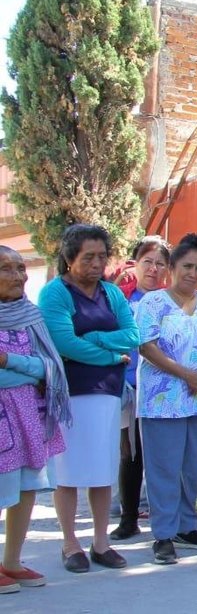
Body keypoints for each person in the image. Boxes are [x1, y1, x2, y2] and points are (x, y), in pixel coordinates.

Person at [40, 224, 140, 572]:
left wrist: (95, 339)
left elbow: (132, 335)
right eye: (88, 257)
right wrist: (111, 355)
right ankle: (70, 544)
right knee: (67, 471)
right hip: (69, 393)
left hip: (107, 394)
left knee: (102, 469)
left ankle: (100, 543)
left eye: (102, 256)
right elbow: (64, 343)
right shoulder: (55, 293)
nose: (97, 264)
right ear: (69, 258)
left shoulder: (111, 293)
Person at [135, 234, 197, 564]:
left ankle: (187, 527)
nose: (193, 273)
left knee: (193, 468)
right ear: (172, 267)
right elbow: (146, 346)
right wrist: (187, 374)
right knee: (164, 468)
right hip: (162, 400)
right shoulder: (152, 302)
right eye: (187, 266)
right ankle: (163, 534)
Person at [0, 247, 69, 593]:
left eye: (20, 267)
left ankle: (11, 561)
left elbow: (50, 366)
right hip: (3, 418)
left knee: (28, 487)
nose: (18, 276)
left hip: (30, 415)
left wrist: (9, 361)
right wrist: (30, 370)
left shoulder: (31, 316)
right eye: (6, 269)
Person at [109, 235, 170, 541]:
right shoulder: (122, 299)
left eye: (160, 263)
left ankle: (166, 521)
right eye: (148, 261)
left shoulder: (171, 301)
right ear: (136, 264)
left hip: (164, 389)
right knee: (130, 454)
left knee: (162, 456)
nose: (154, 269)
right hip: (130, 387)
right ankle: (128, 518)